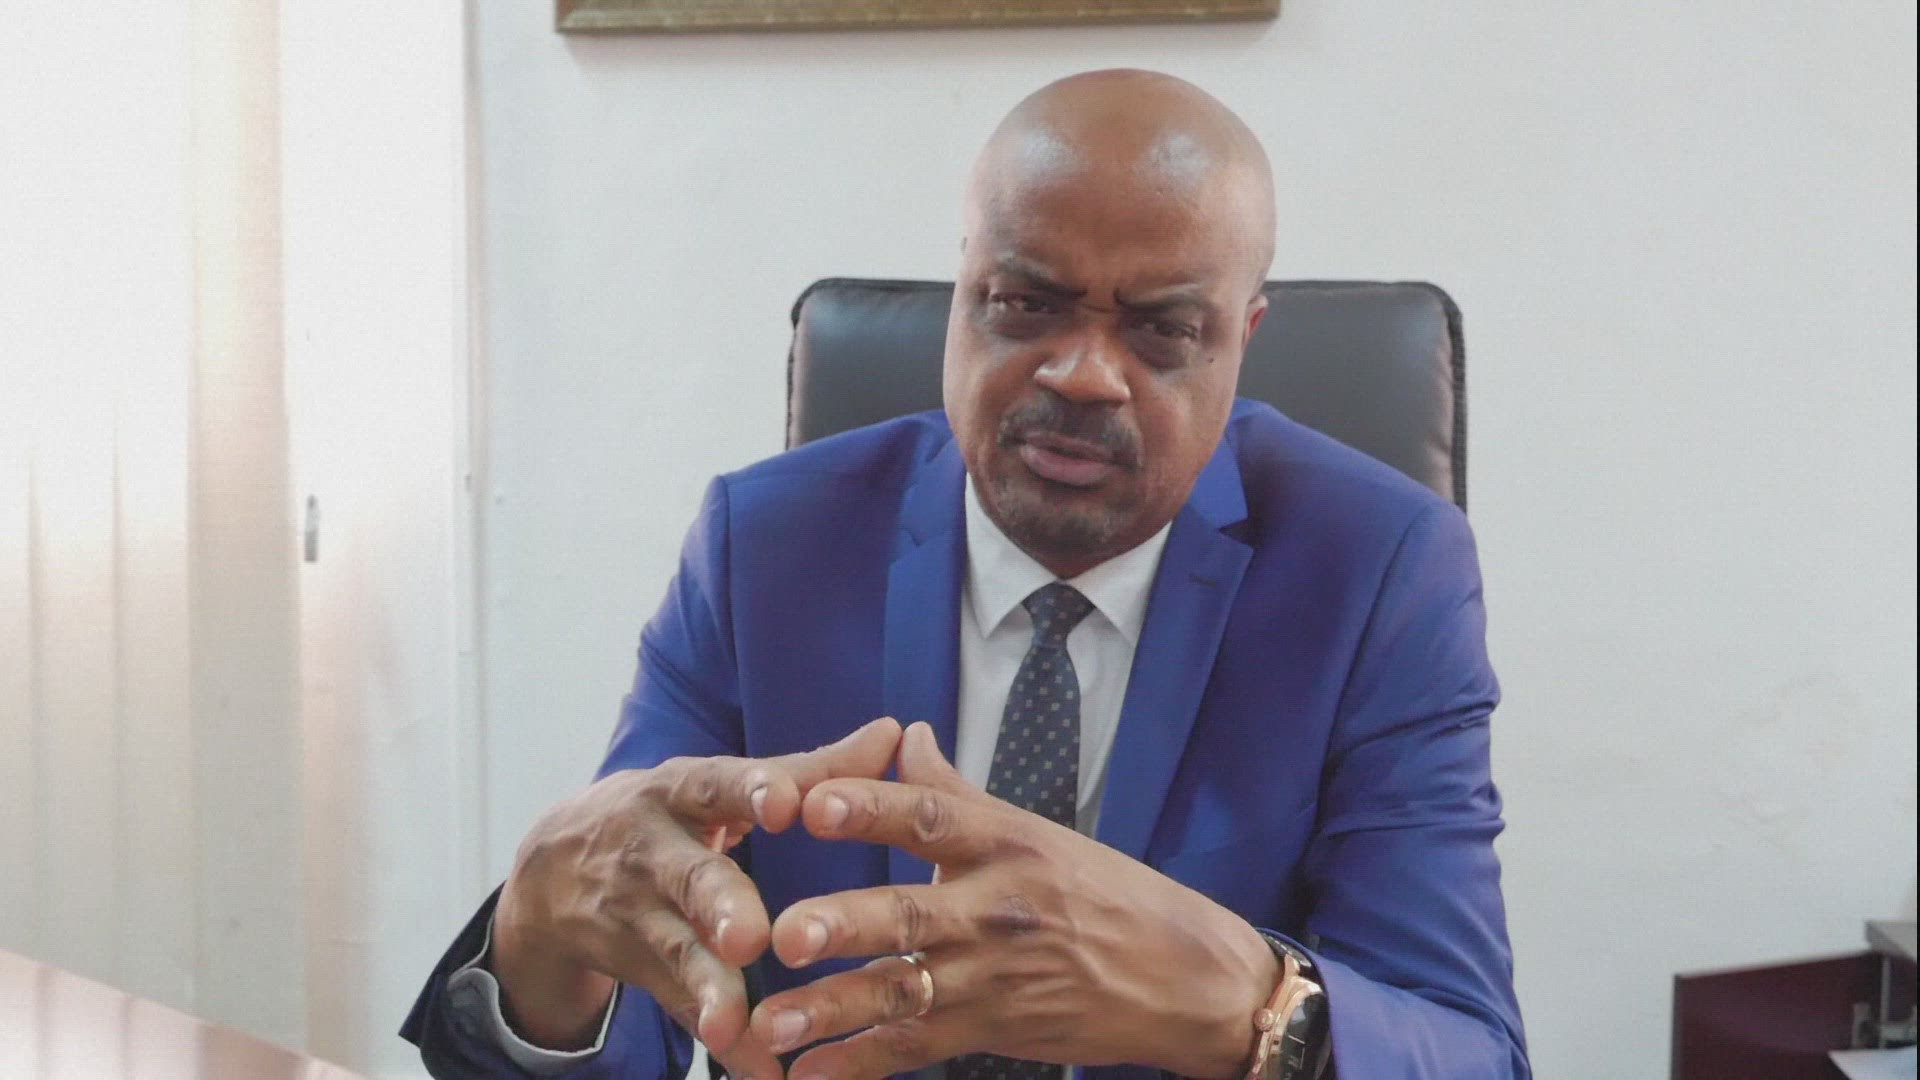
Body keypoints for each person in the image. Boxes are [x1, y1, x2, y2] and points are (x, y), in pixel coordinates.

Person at [403, 69, 1527, 1080]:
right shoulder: (765, 546)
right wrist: (543, 940)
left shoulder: (1379, 571)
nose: (1085, 374)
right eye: (1027, 304)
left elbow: (1468, 1048)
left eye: (1162, 330)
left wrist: (1242, 1005)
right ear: (964, 292)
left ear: (1244, 337)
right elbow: (632, 993)